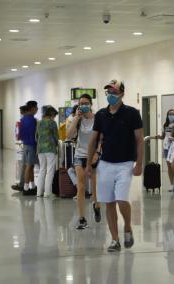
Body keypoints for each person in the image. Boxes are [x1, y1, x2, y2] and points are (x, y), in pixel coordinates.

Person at [87, 79, 143, 252]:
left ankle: (127, 225)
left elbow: (139, 140)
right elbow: (93, 139)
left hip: (125, 163)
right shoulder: (101, 115)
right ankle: (114, 240)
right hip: (105, 164)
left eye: (114, 92)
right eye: (108, 92)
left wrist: (139, 163)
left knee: (121, 199)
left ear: (122, 94)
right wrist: (90, 163)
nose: (111, 95)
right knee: (109, 202)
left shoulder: (132, 113)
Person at [67, 94, 101, 229]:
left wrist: (97, 153)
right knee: (81, 187)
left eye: (86, 103)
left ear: (91, 104)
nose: (84, 105)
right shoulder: (76, 119)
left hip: (93, 156)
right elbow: (68, 135)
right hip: (79, 155)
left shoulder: (98, 118)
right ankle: (82, 218)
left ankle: (96, 204)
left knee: (94, 187)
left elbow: (101, 138)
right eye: (81, 103)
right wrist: (76, 117)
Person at [36, 106, 59, 197]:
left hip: (40, 149)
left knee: (42, 169)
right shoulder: (52, 123)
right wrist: (56, 143)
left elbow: (36, 137)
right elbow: (56, 136)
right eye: (54, 116)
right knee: (50, 170)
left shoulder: (39, 123)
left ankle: (39, 192)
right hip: (50, 149)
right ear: (52, 114)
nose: (54, 117)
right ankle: (48, 192)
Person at [20, 100, 39, 195]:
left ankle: (33, 186)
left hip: (25, 144)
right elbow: (36, 135)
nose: (37, 109)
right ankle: (26, 188)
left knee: (30, 166)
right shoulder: (33, 120)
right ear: (32, 108)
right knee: (29, 166)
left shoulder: (23, 119)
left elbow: (20, 134)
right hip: (32, 145)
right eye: (36, 108)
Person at [157, 109, 174, 192]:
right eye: (170, 114)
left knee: (173, 165)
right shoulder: (165, 124)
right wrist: (158, 136)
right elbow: (163, 136)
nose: (171, 116)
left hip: (173, 146)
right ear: (167, 115)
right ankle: (171, 184)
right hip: (166, 147)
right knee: (169, 166)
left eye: (173, 114)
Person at [12, 105, 29, 191]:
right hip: (27, 145)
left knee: (26, 166)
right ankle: (24, 184)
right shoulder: (25, 121)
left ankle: (24, 185)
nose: (21, 114)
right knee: (25, 166)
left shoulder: (27, 121)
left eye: (22, 112)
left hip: (29, 146)